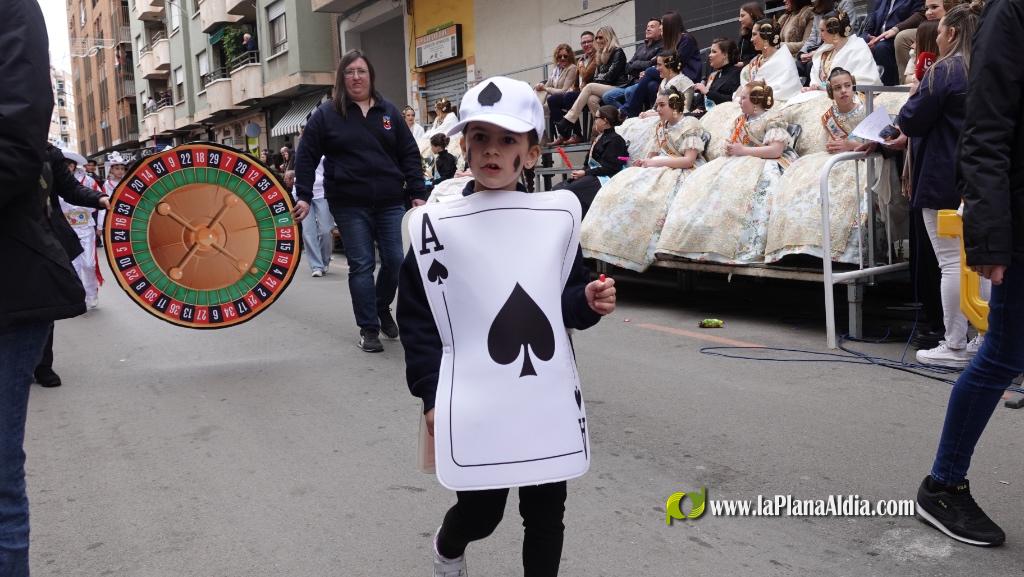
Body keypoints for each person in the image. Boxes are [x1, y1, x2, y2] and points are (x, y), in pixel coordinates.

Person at [397, 75, 615, 577]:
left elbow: (558, 304)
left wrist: (586, 300)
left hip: (544, 396)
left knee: (546, 515)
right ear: (465, 146)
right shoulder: (436, 228)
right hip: (473, 397)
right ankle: (447, 548)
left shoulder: (555, 219)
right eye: (481, 138)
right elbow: (418, 318)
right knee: (482, 512)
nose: (492, 151)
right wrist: (431, 397)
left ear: (531, 153)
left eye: (508, 140)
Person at [914, 0, 1021, 548]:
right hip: (1015, 221)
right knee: (1002, 355)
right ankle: (944, 484)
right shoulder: (1011, 15)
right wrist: (990, 237)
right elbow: (986, 131)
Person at [2, 3, 92, 573]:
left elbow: (20, 149)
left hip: (16, 271)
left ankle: (46, 364)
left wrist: (103, 200)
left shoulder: (9, 10)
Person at [294, 50, 426, 352]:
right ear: (342, 78)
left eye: (361, 71)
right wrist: (303, 194)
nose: (356, 77)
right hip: (349, 203)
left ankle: (380, 307)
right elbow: (306, 156)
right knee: (362, 264)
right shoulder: (327, 114)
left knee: (396, 260)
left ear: (370, 76)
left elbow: (408, 153)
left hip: (391, 200)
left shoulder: (388, 111)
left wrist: (418, 193)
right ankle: (368, 328)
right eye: (350, 72)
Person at [888, 3, 980, 368]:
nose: (936, 36)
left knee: (951, 262)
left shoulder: (946, 70)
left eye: (939, 30)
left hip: (942, 173)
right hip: (974, 175)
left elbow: (911, 118)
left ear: (952, 33)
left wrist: (914, 92)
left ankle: (955, 343)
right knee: (977, 259)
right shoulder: (980, 69)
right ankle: (982, 337)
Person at [658, 81, 796, 264]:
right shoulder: (740, 120)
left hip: (766, 164)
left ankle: (744, 246)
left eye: (744, 97)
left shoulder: (773, 118)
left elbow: (775, 151)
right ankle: (704, 242)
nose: (739, 101)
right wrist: (731, 149)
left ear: (755, 100)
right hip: (739, 162)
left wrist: (743, 151)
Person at [582, 88, 705, 272]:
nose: (658, 109)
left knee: (651, 199)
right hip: (658, 167)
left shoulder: (690, 124)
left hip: (681, 170)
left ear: (675, 105)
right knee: (623, 186)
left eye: (662, 105)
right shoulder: (661, 126)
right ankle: (613, 242)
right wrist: (644, 162)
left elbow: (688, 160)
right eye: (657, 105)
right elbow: (654, 152)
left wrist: (655, 163)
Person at [765, 68, 872, 263]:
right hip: (830, 158)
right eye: (838, 88)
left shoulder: (865, 110)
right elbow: (831, 141)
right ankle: (804, 246)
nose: (844, 91)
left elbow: (874, 143)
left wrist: (850, 145)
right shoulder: (829, 115)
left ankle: (845, 251)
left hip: (859, 159)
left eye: (847, 86)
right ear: (831, 92)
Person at [33, 146, 110, 388]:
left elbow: (70, 188)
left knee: (42, 307)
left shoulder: (47, 153)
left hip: (42, 240)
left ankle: (43, 365)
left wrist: (99, 199)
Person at [620, 11, 702, 118]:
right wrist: (653, 68)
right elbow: (657, 61)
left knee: (649, 72)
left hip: (687, 76)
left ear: (670, 25)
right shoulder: (670, 41)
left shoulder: (686, 39)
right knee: (651, 85)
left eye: (662, 24)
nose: (660, 27)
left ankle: (629, 110)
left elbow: (675, 63)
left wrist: (652, 69)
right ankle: (657, 113)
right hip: (672, 75)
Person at [553, 105, 627, 218]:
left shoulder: (616, 140)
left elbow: (611, 167)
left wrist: (585, 173)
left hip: (604, 178)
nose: (595, 121)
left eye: (596, 118)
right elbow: (588, 163)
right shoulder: (599, 138)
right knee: (558, 188)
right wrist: (582, 172)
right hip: (593, 175)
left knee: (568, 192)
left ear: (605, 121)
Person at [618, 51, 696, 159]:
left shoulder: (685, 83)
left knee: (642, 129)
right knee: (629, 123)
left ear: (669, 65)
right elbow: (656, 106)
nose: (657, 68)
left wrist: (654, 115)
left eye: (659, 65)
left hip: (672, 121)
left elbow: (684, 110)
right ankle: (622, 159)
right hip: (658, 116)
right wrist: (648, 112)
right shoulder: (663, 81)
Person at [555, 26, 627, 139]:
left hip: (618, 86)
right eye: (596, 38)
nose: (597, 41)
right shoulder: (601, 54)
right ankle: (603, 130)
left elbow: (610, 75)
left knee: (588, 87)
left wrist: (595, 77)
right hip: (606, 86)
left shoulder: (618, 52)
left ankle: (568, 120)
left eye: (600, 37)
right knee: (591, 99)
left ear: (608, 37)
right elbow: (598, 76)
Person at [292, 123, 333, 278]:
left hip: (322, 193)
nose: (304, 135)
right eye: (302, 133)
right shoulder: (299, 151)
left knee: (326, 230)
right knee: (308, 231)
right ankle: (316, 265)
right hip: (303, 195)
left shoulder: (325, 146)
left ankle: (324, 260)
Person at [806, 11, 883, 91]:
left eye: (822, 30)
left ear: (834, 31)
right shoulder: (825, 50)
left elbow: (866, 80)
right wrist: (813, 87)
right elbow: (818, 81)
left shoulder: (858, 47)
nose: (820, 34)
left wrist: (830, 88)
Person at [601, 18, 663, 109]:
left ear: (660, 30)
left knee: (629, 92)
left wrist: (636, 64)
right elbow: (627, 67)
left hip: (646, 83)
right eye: (647, 27)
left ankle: (632, 115)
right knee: (607, 96)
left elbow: (653, 66)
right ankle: (625, 116)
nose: (648, 29)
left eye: (652, 27)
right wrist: (640, 66)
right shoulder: (641, 48)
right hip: (631, 82)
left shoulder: (662, 47)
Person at [736, 19, 804, 103]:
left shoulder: (784, 60)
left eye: (754, 35)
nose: (751, 39)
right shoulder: (755, 62)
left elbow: (786, 90)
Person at [548, 31, 597, 145]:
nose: (586, 44)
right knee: (552, 100)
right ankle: (564, 134)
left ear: (594, 42)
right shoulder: (582, 60)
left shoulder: (596, 57)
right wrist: (574, 88)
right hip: (579, 92)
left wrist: (580, 66)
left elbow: (586, 75)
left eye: (589, 41)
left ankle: (577, 134)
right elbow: (576, 81)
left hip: (591, 92)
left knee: (568, 96)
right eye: (583, 42)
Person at [861, 0, 921, 85]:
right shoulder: (880, 2)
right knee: (860, 43)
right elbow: (869, 23)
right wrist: (868, 38)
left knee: (881, 48)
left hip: (896, 37)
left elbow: (919, 17)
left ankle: (886, 89)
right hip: (878, 37)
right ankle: (860, 88)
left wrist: (896, 29)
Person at [798, 0, 859, 71]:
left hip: (840, 48)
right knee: (799, 64)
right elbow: (813, 37)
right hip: (819, 49)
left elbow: (845, 33)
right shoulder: (817, 9)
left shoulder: (844, 3)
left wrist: (819, 52)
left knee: (812, 65)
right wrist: (802, 53)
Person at [690, 39, 743, 116]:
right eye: (711, 52)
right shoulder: (714, 74)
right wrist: (699, 108)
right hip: (708, 114)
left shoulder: (736, 73)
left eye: (714, 52)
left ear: (725, 55)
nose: (709, 55)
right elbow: (703, 98)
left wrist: (707, 92)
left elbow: (731, 100)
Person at [737, 2, 766, 66]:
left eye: (742, 16)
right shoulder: (744, 34)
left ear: (752, 14)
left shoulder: (764, 30)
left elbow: (764, 55)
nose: (740, 19)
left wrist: (744, 63)